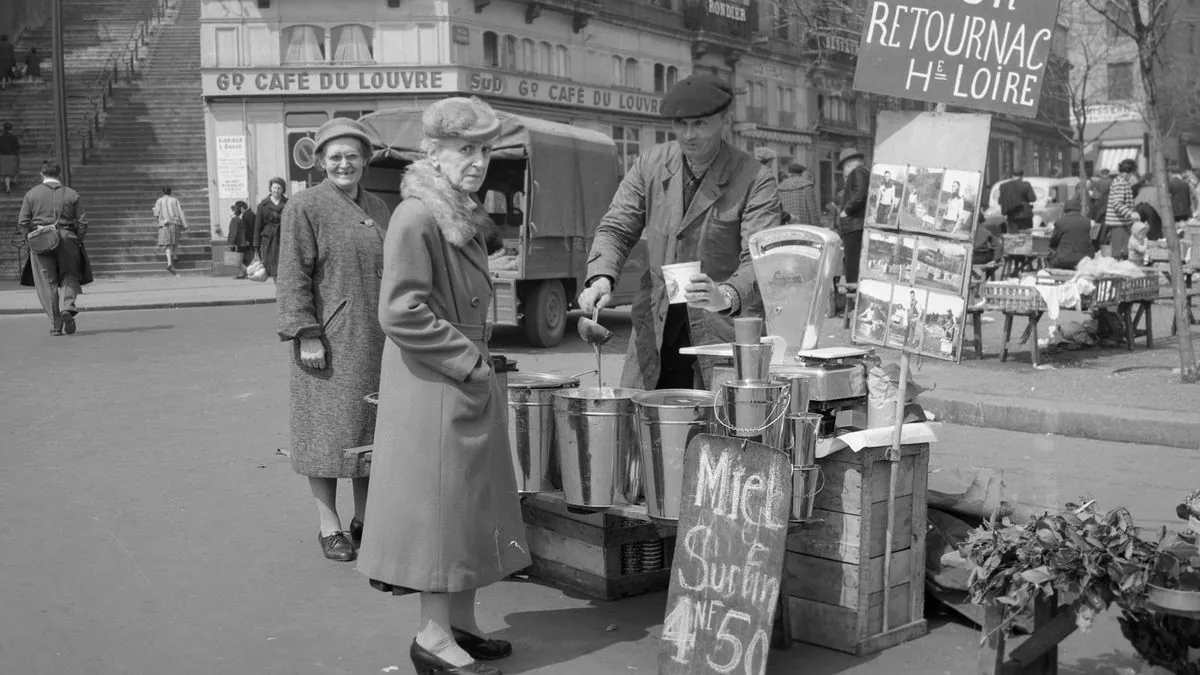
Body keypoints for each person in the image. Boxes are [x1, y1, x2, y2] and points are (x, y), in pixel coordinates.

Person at [357, 97, 529, 675]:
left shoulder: (457, 210)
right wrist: (470, 362)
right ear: (432, 151)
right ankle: (431, 637)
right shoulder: (417, 216)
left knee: (469, 510)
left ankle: (461, 625)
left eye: (484, 150)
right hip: (437, 385)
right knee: (441, 515)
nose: (478, 161)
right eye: (465, 149)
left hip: (457, 382)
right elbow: (400, 312)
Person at [577, 74, 782, 391]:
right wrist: (600, 277)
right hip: (655, 330)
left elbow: (760, 259)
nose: (689, 135)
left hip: (720, 334)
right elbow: (616, 227)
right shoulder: (649, 164)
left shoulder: (756, 178)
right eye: (681, 124)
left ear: (724, 121)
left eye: (700, 124)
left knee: (716, 433)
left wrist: (724, 294)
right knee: (643, 427)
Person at [276, 118, 390, 563]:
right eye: (335, 156)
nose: (345, 163)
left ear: (365, 160)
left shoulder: (380, 207)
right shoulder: (305, 206)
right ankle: (330, 526)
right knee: (325, 436)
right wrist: (306, 332)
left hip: (378, 340)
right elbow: (292, 274)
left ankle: (365, 520)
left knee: (370, 432)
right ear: (321, 161)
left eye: (353, 156)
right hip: (329, 340)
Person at [17, 160, 91, 335]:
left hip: (41, 238)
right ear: (59, 175)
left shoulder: (32, 194)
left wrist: (30, 237)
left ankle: (55, 323)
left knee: (47, 282)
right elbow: (82, 222)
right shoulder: (72, 194)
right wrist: (76, 239)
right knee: (69, 274)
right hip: (67, 237)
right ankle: (68, 306)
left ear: (41, 174)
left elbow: (23, 222)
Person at [836, 147, 870, 283]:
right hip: (857, 225)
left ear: (848, 164)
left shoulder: (857, 171)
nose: (843, 172)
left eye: (843, 168)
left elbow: (860, 193)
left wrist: (846, 211)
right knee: (855, 263)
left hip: (854, 225)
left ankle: (852, 297)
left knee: (852, 264)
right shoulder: (864, 172)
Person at [254, 177, 288, 278]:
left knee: (284, 265)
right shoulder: (262, 205)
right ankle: (278, 287)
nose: (276, 190)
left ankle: (281, 288)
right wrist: (256, 245)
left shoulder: (288, 204)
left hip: (283, 237)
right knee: (272, 266)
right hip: (268, 239)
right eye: (274, 188)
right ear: (270, 188)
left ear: (283, 190)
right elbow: (257, 227)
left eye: (279, 188)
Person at [1104, 158, 1138, 259]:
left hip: (1122, 222)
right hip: (1118, 222)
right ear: (1129, 172)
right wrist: (1130, 213)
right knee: (1119, 251)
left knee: (1125, 249)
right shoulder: (1120, 183)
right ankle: (1117, 270)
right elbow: (1117, 203)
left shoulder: (1121, 182)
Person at [1048, 198, 1094, 270]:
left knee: (1050, 256)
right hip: (1084, 260)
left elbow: (1053, 242)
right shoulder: (1087, 222)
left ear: (1066, 208)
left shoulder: (1060, 222)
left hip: (1063, 260)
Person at [153, 187, 189, 273]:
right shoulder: (175, 200)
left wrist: (154, 211)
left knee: (167, 244)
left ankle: (169, 263)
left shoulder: (159, 201)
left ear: (162, 192)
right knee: (174, 241)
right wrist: (185, 225)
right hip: (175, 223)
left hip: (164, 224)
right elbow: (181, 212)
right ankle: (175, 255)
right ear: (170, 192)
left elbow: (156, 214)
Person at [777, 162, 820, 227]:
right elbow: (812, 210)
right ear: (801, 173)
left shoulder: (780, 187)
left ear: (789, 173)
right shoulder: (807, 186)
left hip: (786, 225)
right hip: (803, 226)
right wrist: (817, 226)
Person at [225, 200, 256, 278]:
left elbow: (233, 233)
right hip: (242, 242)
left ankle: (247, 273)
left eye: (231, 211)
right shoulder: (238, 219)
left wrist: (231, 244)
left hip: (240, 242)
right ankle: (245, 273)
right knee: (241, 259)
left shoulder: (235, 220)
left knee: (236, 260)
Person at [0, 121, 19, 193]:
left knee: (6, 173)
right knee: (15, 170)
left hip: (3, 156)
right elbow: (18, 146)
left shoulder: (1, 138)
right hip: (12, 156)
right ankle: (13, 180)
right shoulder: (14, 137)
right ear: (11, 129)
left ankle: (8, 187)